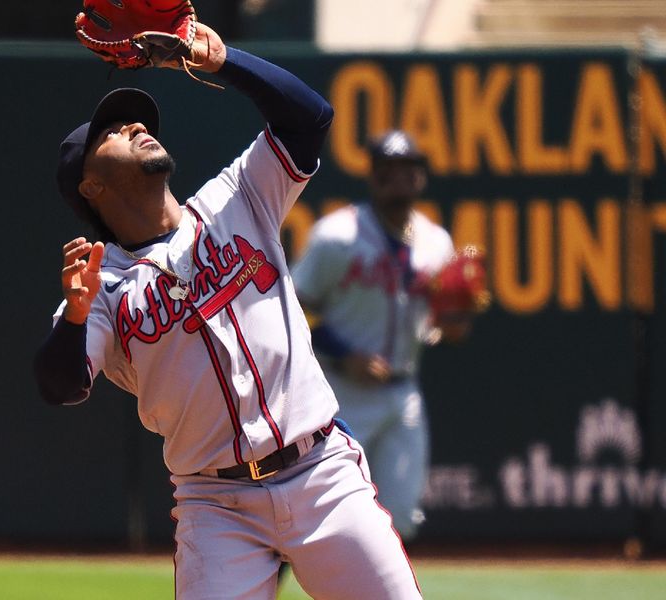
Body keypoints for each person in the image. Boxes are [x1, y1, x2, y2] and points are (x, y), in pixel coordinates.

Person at [33, 22, 422, 600]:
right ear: (90, 186)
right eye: (112, 132)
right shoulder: (100, 287)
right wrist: (73, 318)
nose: (136, 126)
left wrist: (219, 61)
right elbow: (61, 386)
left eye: (136, 120)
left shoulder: (237, 198)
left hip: (322, 476)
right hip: (216, 507)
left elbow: (310, 118)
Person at [291, 129, 473, 541]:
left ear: (420, 177)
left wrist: (452, 325)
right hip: (341, 392)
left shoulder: (436, 242)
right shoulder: (336, 236)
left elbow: (441, 326)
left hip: (403, 393)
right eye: (388, 169)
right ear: (373, 176)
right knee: (315, 510)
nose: (399, 179)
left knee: (401, 519)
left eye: (408, 169)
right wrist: (342, 353)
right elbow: (290, 312)